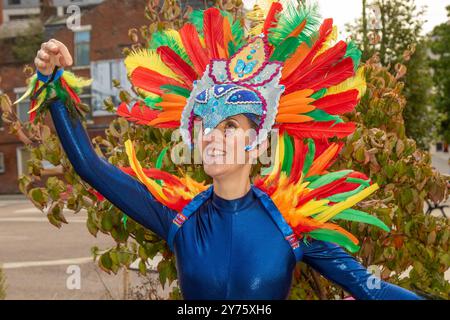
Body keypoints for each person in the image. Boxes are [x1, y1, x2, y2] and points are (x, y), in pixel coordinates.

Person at [21, 2, 423, 300]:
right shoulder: (177, 217)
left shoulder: (293, 226)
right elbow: (89, 166)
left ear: (259, 141)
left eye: (229, 126)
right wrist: (52, 82)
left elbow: (372, 289)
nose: (211, 136)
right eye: (206, 127)